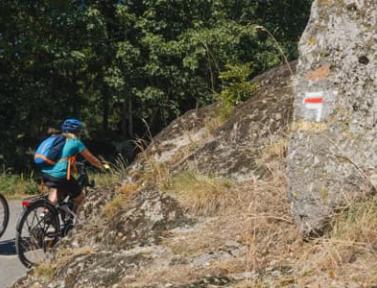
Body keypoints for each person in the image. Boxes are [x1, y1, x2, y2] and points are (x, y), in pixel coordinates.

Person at [41, 118, 108, 214]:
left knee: (55, 190)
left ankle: (46, 214)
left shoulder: (56, 139)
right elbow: (91, 159)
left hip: (46, 172)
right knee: (81, 198)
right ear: (78, 131)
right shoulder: (75, 142)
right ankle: (77, 224)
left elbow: (61, 157)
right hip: (60, 175)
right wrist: (102, 166)